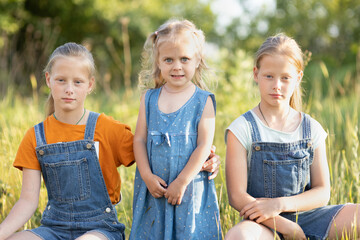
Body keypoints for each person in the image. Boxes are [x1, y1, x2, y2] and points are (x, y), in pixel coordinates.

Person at [0, 42, 221, 240]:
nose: (69, 89)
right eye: (61, 80)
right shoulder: (36, 137)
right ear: (48, 80)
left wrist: (206, 158)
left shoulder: (106, 129)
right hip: (53, 228)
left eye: (78, 82)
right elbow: (28, 201)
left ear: (90, 85)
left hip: (100, 230)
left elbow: (155, 151)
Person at [225, 34, 360, 240]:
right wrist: (289, 229)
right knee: (239, 236)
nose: (276, 85)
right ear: (256, 74)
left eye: (285, 78)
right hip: (263, 223)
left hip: (310, 217)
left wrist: (279, 205)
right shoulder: (242, 128)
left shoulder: (311, 128)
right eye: (269, 76)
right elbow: (237, 197)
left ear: (298, 78)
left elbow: (322, 192)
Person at [130, 19, 221, 240]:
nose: (177, 66)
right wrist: (147, 176)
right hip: (154, 191)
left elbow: (204, 145)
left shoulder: (203, 101)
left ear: (197, 60)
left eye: (184, 59)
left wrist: (181, 182)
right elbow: (139, 140)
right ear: (158, 62)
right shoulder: (149, 99)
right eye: (168, 59)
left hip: (189, 190)